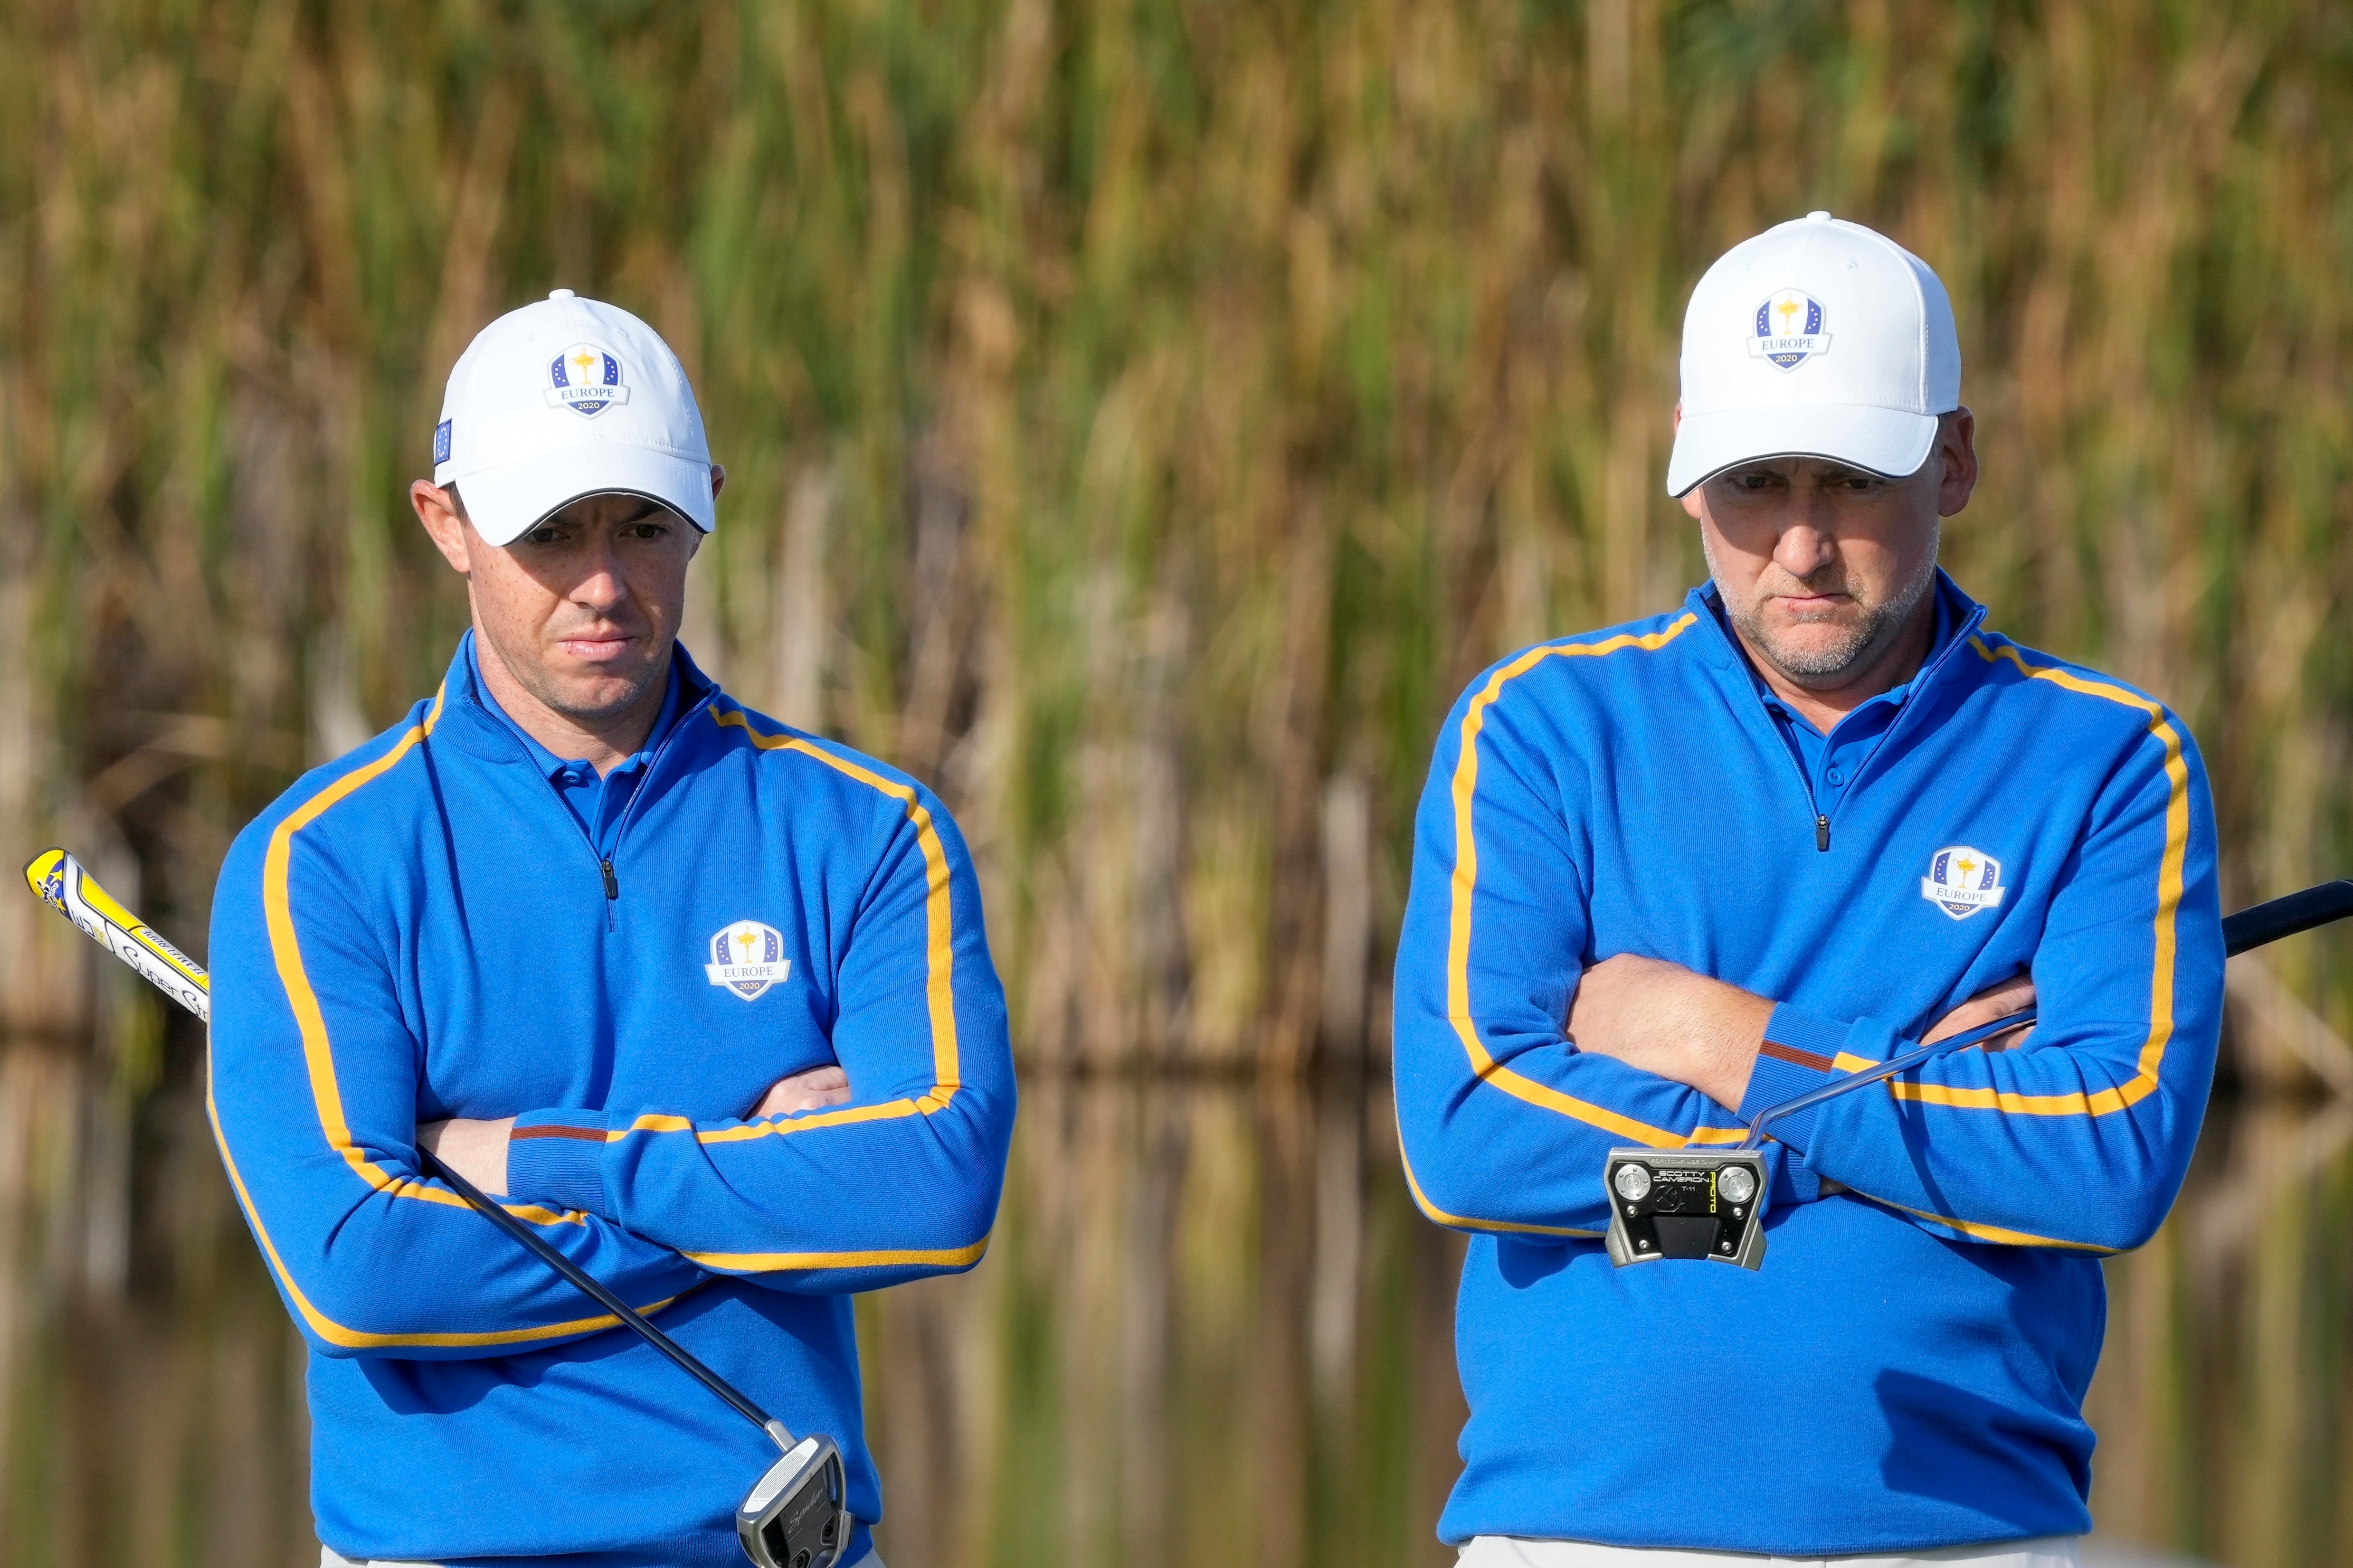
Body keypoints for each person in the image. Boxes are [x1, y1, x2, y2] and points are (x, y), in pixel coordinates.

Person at [1391, 213, 2224, 1566]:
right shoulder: (1538, 727)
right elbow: (1470, 1137)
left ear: (1950, 459)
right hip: (1575, 1538)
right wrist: (1847, 1119)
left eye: (1845, 480)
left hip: (1971, 1537)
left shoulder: (2107, 758)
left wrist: (1710, 1036)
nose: (1796, 546)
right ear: (1682, 475)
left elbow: (2108, 1160)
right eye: (1750, 484)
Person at [208, 290, 1016, 1568]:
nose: (603, 582)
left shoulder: (867, 831)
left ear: (707, 503)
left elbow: (936, 1189)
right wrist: (752, 1185)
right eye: (550, 531)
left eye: (643, 525)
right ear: (447, 522)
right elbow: (361, 1270)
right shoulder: (321, 863)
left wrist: (540, 1163)